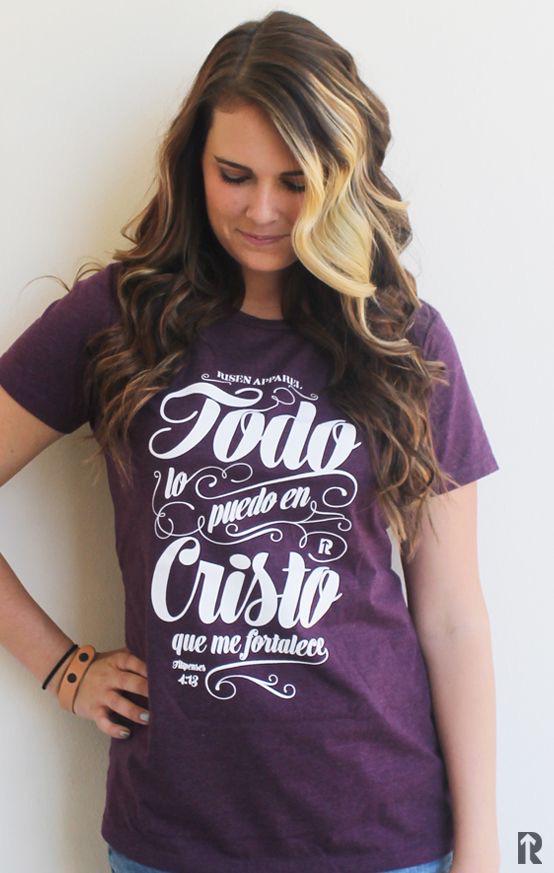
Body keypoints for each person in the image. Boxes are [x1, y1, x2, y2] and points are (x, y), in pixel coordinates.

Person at [0, 10, 501, 873]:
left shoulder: (402, 339)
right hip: (174, 838)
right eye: (234, 175)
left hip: (380, 833)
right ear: (193, 161)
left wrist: (484, 844)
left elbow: (453, 614)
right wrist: (62, 668)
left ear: (341, 177)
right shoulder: (118, 318)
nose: (263, 210)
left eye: (295, 181)